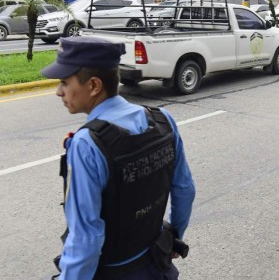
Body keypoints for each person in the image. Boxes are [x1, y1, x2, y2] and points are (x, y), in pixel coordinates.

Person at [42, 36, 196, 280]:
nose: (58, 91)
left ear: (94, 85)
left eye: (64, 82)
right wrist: (175, 236)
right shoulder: (163, 120)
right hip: (159, 265)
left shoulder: (87, 144)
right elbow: (184, 188)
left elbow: (86, 238)